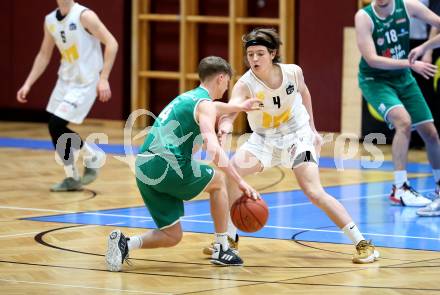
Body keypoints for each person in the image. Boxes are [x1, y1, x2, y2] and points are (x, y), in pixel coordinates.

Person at [203, 28, 380, 264]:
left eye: (260, 54)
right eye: (250, 54)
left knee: (313, 191)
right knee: (232, 174)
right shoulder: (245, 84)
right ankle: (230, 240)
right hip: (264, 139)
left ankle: (362, 244)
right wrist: (225, 125)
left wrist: (314, 130)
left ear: (273, 53)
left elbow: (304, 93)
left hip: (297, 136)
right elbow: (232, 109)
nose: (254, 59)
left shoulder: (293, 73)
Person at [105, 56, 261, 271]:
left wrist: (239, 107)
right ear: (222, 78)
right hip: (166, 163)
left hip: (143, 167)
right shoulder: (205, 105)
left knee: (172, 235)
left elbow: (216, 107)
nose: (227, 87)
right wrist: (240, 181)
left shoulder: (189, 98)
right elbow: (213, 149)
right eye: (227, 83)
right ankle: (222, 247)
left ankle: (125, 244)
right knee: (219, 182)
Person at [16, 0, 118, 191]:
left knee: (56, 124)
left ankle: (92, 156)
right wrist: (28, 83)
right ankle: (72, 177)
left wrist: (103, 78)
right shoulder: (50, 20)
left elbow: (112, 43)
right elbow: (44, 54)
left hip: (85, 82)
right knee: (54, 129)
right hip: (65, 81)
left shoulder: (84, 16)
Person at [355, 0, 440, 207]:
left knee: (431, 134)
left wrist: (425, 46)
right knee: (403, 122)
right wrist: (412, 63)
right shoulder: (364, 17)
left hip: (403, 78)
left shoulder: (408, 6)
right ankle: (399, 188)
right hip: (375, 81)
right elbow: (372, 59)